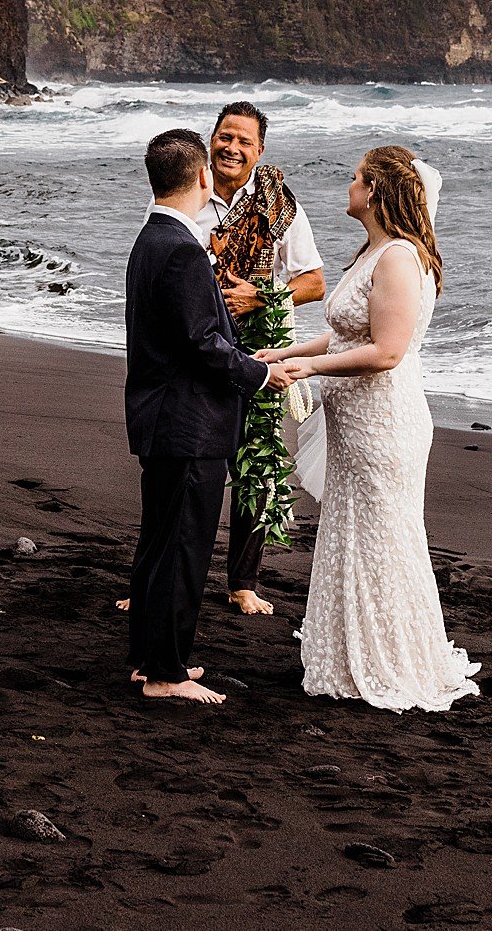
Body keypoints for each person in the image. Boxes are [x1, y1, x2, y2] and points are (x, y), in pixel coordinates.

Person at [266, 146, 479, 712]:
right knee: (350, 531)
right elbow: (343, 338)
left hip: (385, 425)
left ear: (379, 192)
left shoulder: (400, 260)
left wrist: (308, 367)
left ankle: (393, 661)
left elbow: (386, 352)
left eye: (357, 178)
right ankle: (345, 657)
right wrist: (283, 352)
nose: (349, 183)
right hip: (355, 427)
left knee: (384, 537)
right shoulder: (373, 252)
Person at [122, 127, 296, 705]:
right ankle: (166, 674)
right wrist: (262, 373)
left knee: (158, 543)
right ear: (201, 176)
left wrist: (249, 362)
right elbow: (203, 343)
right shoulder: (181, 248)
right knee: (182, 549)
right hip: (187, 423)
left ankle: (149, 658)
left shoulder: (151, 238)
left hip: (162, 417)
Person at [200, 101, 325, 615]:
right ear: (212, 139)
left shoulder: (278, 203)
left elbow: (315, 283)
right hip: (199, 343)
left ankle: (243, 583)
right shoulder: (190, 189)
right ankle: (161, 575)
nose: (231, 147)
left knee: (255, 463)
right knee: (191, 462)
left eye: (243, 141)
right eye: (225, 136)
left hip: (259, 348)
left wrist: (262, 296)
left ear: (260, 151)